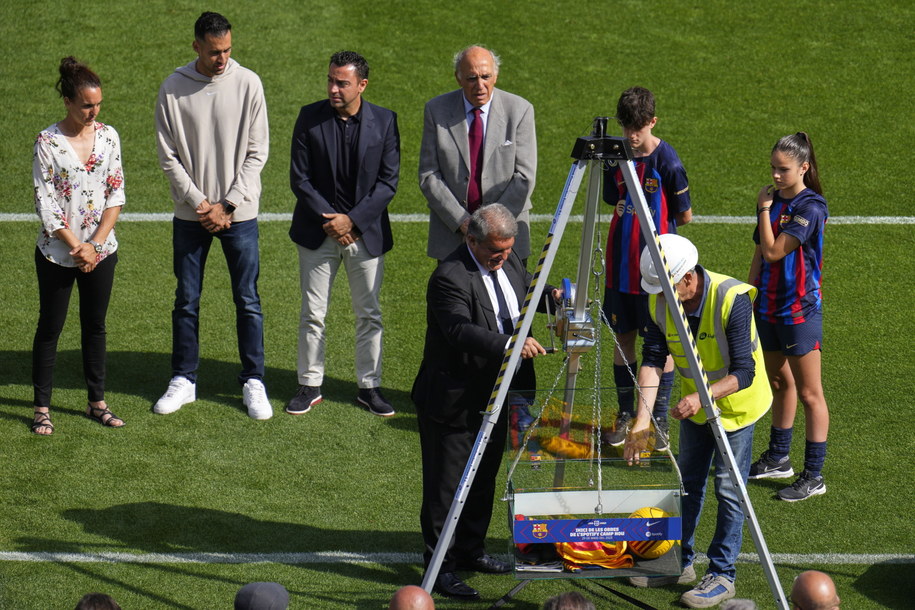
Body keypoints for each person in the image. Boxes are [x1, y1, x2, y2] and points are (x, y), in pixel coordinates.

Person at [412, 204, 557, 600]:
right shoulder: (448, 276)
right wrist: (512, 345)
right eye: (496, 251)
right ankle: (440, 568)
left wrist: (554, 298)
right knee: (447, 488)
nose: (504, 257)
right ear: (470, 239)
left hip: (500, 397)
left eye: (508, 250)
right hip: (455, 401)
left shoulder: (508, 262)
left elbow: (526, 290)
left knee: (483, 477)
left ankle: (471, 550)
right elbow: (460, 330)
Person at [623, 233, 772, 609]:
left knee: (728, 489)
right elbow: (653, 360)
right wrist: (643, 423)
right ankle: (679, 561)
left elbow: (744, 371)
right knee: (687, 483)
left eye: (668, 287)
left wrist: (699, 397)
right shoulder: (660, 302)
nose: (662, 297)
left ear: (689, 277)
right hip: (696, 406)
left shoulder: (731, 299)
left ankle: (723, 575)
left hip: (737, 407)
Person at [154, 11, 271, 419]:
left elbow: (258, 153)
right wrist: (202, 204)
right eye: (214, 51)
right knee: (186, 299)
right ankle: (184, 379)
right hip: (192, 216)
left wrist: (228, 204)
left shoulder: (249, 83)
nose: (222, 59)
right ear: (197, 47)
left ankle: (254, 380)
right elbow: (168, 157)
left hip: (238, 215)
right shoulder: (172, 88)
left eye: (227, 50)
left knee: (248, 299)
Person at [287, 50, 400, 417]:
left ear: (361, 85)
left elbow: (387, 182)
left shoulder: (385, 121)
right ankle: (309, 384)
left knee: (369, 313)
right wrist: (332, 220)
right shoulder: (309, 117)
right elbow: (300, 179)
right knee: (313, 312)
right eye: (331, 80)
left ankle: (369, 387)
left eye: (342, 82)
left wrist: (351, 221)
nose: (333, 88)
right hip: (318, 233)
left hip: (364, 235)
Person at [31, 56, 126, 436]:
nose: (94, 111)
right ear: (68, 101)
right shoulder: (47, 142)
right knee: (50, 328)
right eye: (87, 104)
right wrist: (77, 247)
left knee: (95, 326)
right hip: (57, 253)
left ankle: (96, 402)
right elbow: (47, 204)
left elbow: (115, 193)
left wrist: (96, 246)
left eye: (98, 104)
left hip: (100, 252)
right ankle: (41, 408)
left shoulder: (109, 136)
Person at [602, 87, 692, 451]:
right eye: (626, 127)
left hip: (656, 272)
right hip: (619, 268)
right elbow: (612, 197)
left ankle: (657, 420)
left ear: (652, 122)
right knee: (623, 338)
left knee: (662, 346)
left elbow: (684, 215)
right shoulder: (615, 156)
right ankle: (626, 414)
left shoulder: (667, 161)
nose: (630, 135)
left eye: (637, 127)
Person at [748, 132, 831, 502]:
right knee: (780, 384)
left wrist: (764, 210)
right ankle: (779, 457)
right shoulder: (776, 199)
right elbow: (756, 253)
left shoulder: (810, 207)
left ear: (804, 167)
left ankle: (814, 475)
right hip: (768, 307)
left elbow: (773, 252)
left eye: (784, 170)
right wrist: (749, 294)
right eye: (773, 168)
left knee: (811, 393)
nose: (777, 176)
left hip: (799, 312)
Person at [419, 45, 536, 264]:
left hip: (505, 236)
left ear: (496, 76)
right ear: (458, 78)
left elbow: (524, 178)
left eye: (486, 76)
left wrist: (490, 226)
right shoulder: (436, 110)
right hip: (452, 235)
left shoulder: (520, 110)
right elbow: (429, 175)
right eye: (472, 78)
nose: (480, 85)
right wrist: (463, 222)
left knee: (508, 299)